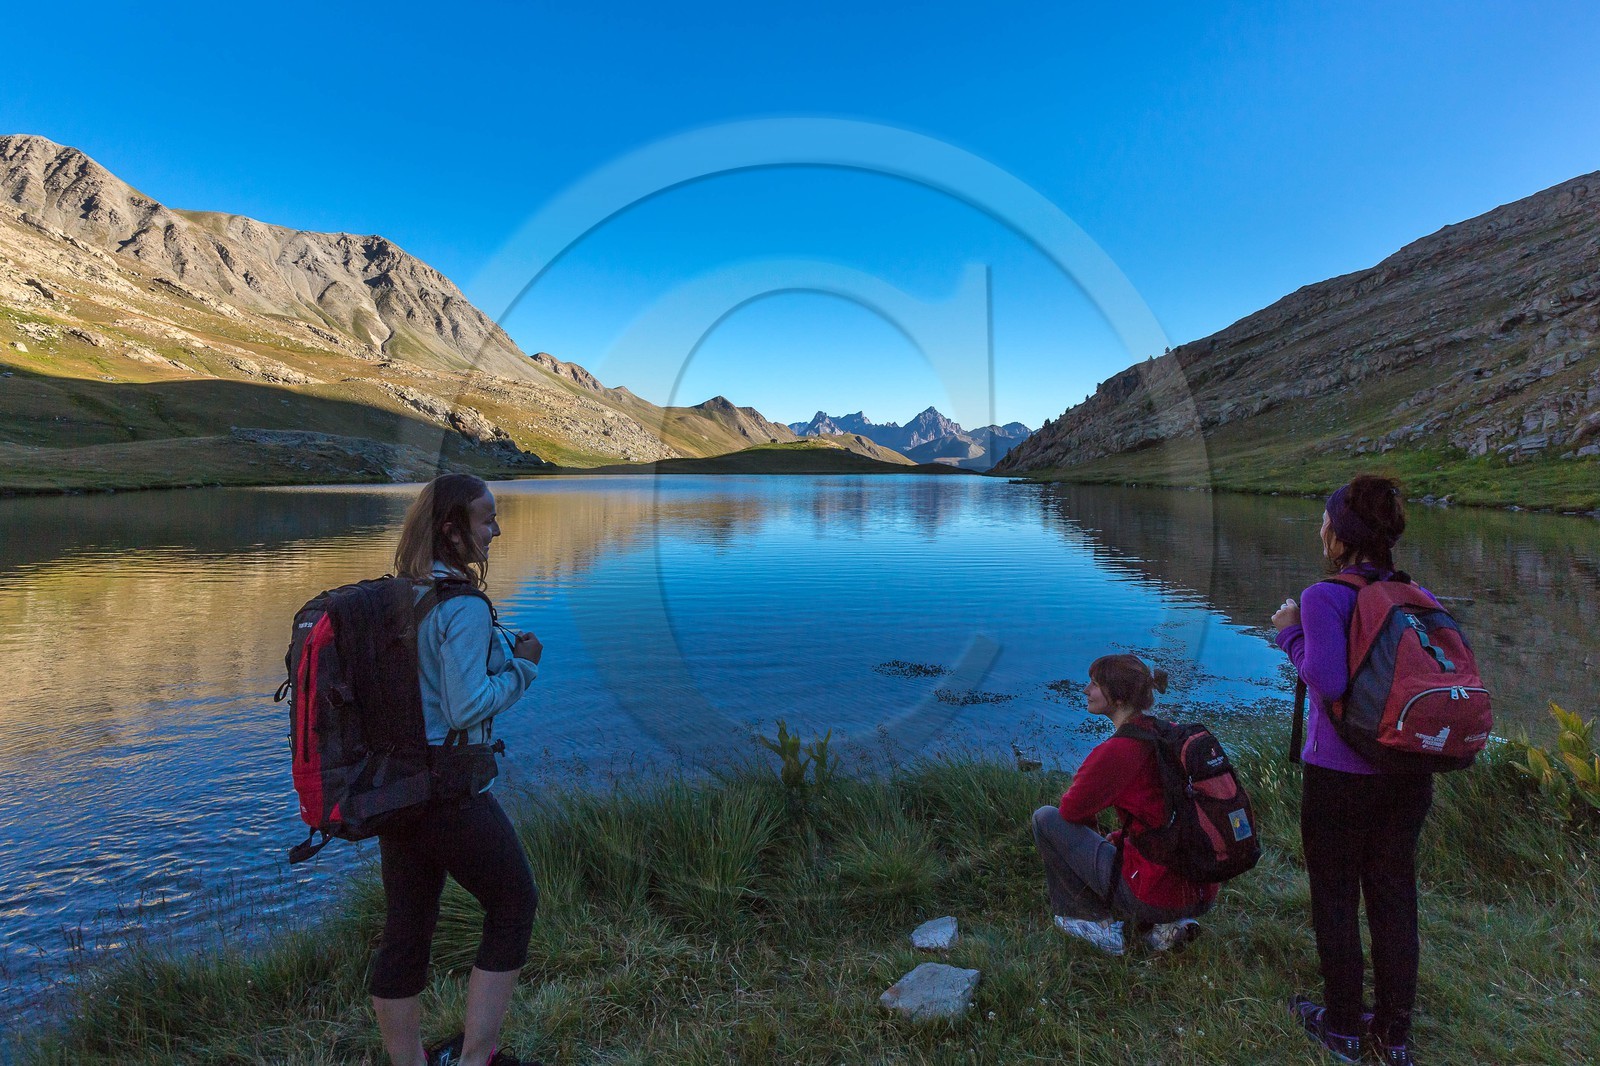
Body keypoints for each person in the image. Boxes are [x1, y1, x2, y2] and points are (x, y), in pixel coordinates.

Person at [370, 473, 542, 1066]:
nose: (496, 529)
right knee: (515, 900)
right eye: (486, 519)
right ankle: (478, 1058)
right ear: (452, 528)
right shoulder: (462, 605)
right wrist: (522, 668)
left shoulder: (404, 590)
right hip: (447, 787)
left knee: (408, 923)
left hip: (397, 785)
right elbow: (467, 705)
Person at [1273, 474, 1432, 1066]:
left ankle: (1341, 1026)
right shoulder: (1415, 593)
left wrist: (1289, 634)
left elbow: (1328, 680)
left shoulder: (1322, 597)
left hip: (1340, 774)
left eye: (1325, 521)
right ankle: (1393, 1035)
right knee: (1394, 895)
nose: (1320, 530)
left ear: (1340, 536)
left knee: (1335, 896)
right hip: (1408, 769)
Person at [1031, 653, 1218, 956]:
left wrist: (1095, 844)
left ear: (1116, 698)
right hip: (1203, 889)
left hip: (1154, 894)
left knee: (1046, 819)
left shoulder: (1117, 751)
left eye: (1094, 684)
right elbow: (1162, 816)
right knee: (1118, 843)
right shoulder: (1169, 732)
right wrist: (1118, 840)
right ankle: (1167, 925)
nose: (1085, 690)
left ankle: (1092, 924)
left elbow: (1071, 813)